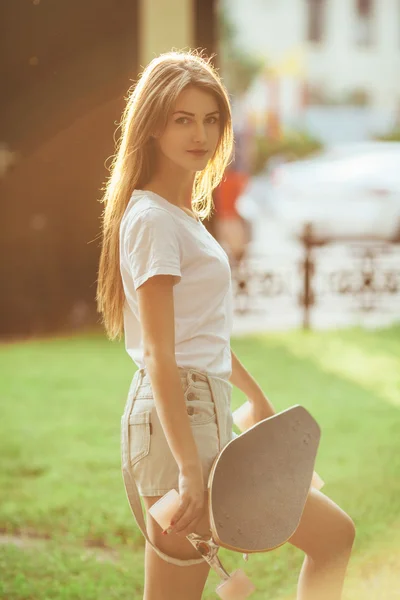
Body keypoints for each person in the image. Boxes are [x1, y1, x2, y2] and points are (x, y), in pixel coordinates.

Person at [96, 50, 355, 600]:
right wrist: (190, 470)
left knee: (334, 535)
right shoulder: (151, 221)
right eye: (182, 119)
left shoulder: (179, 216)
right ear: (151, 127)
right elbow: (162, 356)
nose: (201, 133)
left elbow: (201, 331)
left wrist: (256, 396)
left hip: (205, 409)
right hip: (179, 424)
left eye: (211, 118)